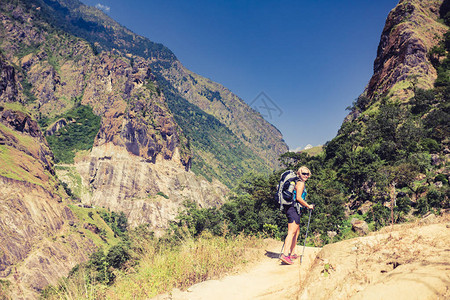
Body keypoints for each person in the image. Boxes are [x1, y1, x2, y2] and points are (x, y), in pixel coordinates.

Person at [280, 166, 314, 265]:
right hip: (293, 208)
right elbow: (298, 198)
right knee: (291, 232)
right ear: (299, 173)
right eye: (303, 173)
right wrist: (308, 206)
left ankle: (293, 253)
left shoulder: (297, 182)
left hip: (293, 208)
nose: (306, 176)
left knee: (297, 230)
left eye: (307, 174)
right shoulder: (300, 183)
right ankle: (285, 255)